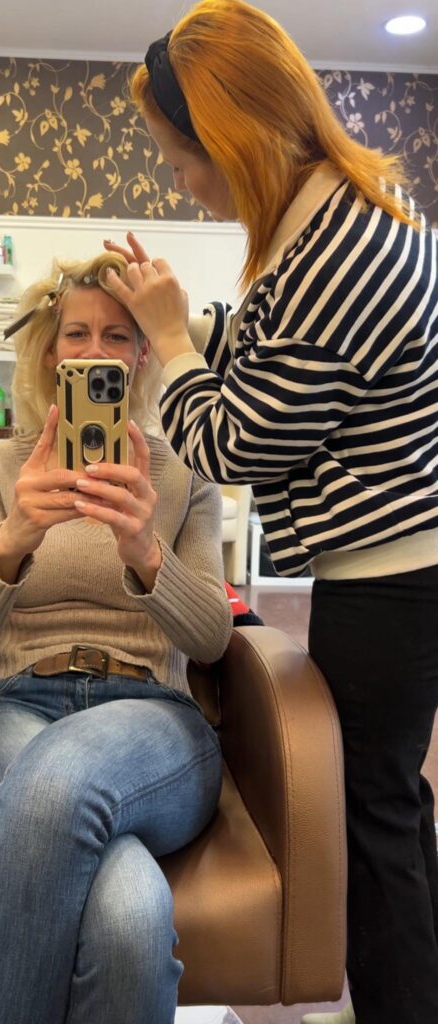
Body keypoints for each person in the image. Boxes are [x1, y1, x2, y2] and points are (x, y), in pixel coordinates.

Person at [102, 2, 438, 1023]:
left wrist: (169, 340)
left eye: (179, 156)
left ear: (231, 137)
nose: (181, 180)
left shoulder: (334, 249)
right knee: (391, 803)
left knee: (370, 813)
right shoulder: (338, 219)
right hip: (391, 566)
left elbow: (235, 443)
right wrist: (193, 323)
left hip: (386, 581)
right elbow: (275, 354)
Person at [0, 251, 233, 1024]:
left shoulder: (184, 474)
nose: (95, 352)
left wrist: (144, 552)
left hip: (150, 717)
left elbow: (209, 644)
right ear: (50, 351)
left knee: (58, 781)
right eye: (76, 334)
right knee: (129, 920)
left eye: (117, 334)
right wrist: (16, 534)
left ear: (140, 355)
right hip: (6, 707)